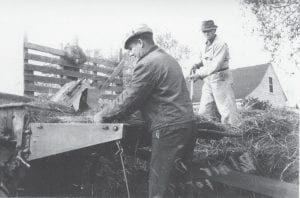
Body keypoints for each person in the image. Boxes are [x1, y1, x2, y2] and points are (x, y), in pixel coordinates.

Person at [94, 24, 196, 197]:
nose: (131, 54)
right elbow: (157, 96)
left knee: (159, 186)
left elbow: (131, 98)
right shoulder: (167, 59)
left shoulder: (148, 63)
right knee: (181, 182)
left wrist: (103, 115)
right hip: (188, 126)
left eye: (131, 48)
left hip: (168, 130)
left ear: (140, 43)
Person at [189, 20, 239, 126]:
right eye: (204, 31)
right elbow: (206, 60)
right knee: (204, 111)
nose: (206, 33)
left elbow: (216, 64)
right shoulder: (204, 45)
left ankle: (234, 134)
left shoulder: (220, 44)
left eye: (209, 31)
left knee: (227, 110)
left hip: (221, 78)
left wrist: (199, 74)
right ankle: (208, 136)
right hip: (209, 80)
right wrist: (198, 65)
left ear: (214, 30)